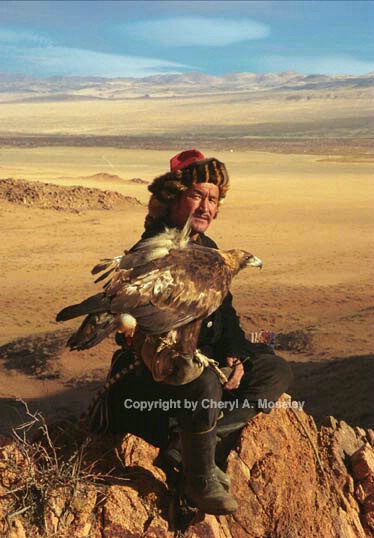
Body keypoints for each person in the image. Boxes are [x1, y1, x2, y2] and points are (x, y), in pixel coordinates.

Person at [90, 149, 293, 515]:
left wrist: (236, 355)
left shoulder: (210, 251)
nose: (205, 206)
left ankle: (189, 445)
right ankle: (198, 480)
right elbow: (142, 331)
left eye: (213, 199)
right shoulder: (156, 251)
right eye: (196, 195)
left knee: (274, 370)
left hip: (203, 365)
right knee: (204, 383)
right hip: (155, 376)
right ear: (174, 198)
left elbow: (225, 315)